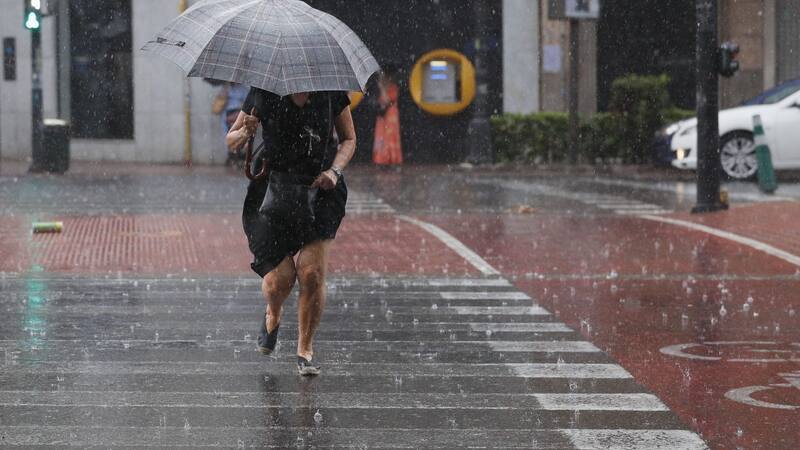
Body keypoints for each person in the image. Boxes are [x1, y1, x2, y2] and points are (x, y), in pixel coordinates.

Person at [226, 89, 355, 376]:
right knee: (278, 283)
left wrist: (335, 171)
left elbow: (349, 139)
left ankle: (305, 350)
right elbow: (231, 142)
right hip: (272, 191)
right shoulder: (264, 92)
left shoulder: (331, 92)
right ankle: (273, 313)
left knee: (311, 273)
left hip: (321, 189)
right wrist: (245, 132)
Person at [372, 71, 403, 166]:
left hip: (390, 115)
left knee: (389, 136)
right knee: (381, 135)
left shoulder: (393, 88)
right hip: (382, 116)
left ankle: (390, 158)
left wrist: (382, 89)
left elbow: (387, 100)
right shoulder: (382, 89)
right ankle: (381, 158)